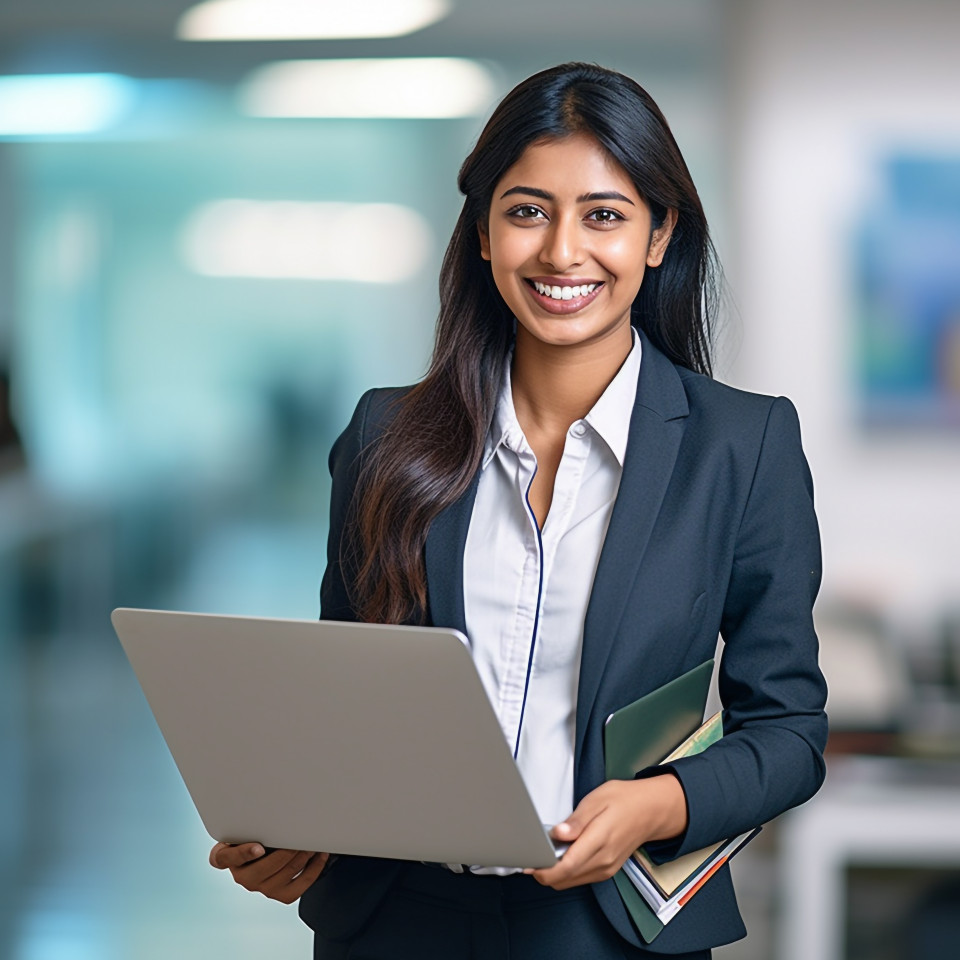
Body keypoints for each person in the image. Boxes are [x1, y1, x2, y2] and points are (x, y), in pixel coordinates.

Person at [209, 62, 828, 958]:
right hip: (398, 918)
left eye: (604, 216)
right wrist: (292, 831)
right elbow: (348, 702)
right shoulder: (385, 436)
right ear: (483, 233)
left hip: (608, 925)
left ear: (659, 235)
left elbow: (788, 732)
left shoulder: (742, 446)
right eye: (528, 211)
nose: (562, 252)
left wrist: (659, 804)